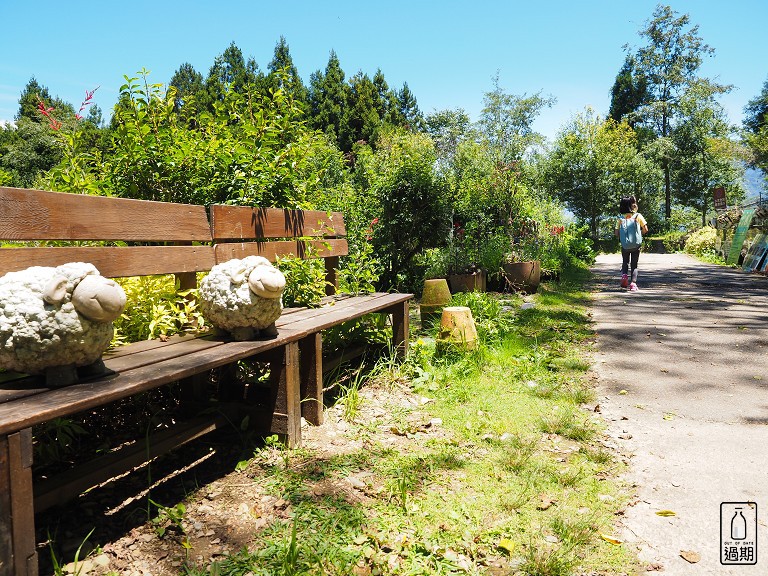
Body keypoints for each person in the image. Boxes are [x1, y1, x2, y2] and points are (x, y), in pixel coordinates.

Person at [615, 196, 648, 292]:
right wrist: (639, 234)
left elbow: (616, 233)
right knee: (634, 265)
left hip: (625, 245)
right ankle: (633, 284)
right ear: (632, 205)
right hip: (636, 245)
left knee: (625, 262)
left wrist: (623, 237)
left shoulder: (620, 218)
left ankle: (624, 276)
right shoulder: (638, 216)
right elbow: (646, 229)